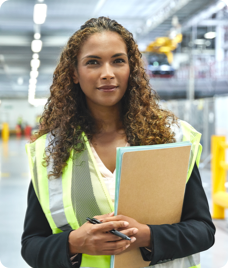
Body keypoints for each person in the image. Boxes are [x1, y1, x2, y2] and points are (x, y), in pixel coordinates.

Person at [21, 17, 215, 268]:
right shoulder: (51, 150)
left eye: (118, 61)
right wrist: (73, 243)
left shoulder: (172, 139)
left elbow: (202, 230)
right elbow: (32, 244)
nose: (107, 74)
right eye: (93, 62)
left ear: (131, 69)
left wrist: (147, 236)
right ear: (74, 73)